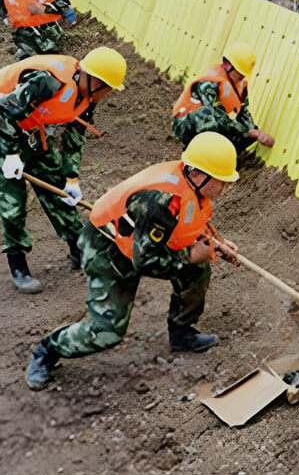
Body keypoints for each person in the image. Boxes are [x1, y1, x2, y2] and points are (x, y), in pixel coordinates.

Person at [25, 132, 242, 390]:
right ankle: (46, 351)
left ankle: (182, 333)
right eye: (221, 181)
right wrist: (194, 254)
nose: (224, 187)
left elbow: (187, 220)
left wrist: (213, 243)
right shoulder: (161, 200)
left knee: (195, 269)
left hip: (139, 242)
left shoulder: (188, 181)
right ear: (197, 174)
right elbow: (147, 260)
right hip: (108, 250)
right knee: (106, 332)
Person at [0, 48, 126, 293]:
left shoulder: (88, 96)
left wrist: (71, 178)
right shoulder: (48, 81)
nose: (108, 94)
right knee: (12, 200)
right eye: (107, 87)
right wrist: (12, 153)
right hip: (4, 129)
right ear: (94, 79)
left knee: (59, 191)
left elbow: (75, 137)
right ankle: (18, 266)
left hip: (30, 130)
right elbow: (5, 108)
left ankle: (78, 249)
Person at [172, 42, 274, 152]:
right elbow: (215, 113)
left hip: (215, 122)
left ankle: (225, 155)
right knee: (208, 115)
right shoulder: (209, 83)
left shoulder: (241, 85)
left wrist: (254, 132)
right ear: (228, 66)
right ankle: (199, 151)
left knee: (247, 134)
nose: (242, 76)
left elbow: (243, 111)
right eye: (240, 72)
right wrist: (245, 131)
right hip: (186, 125)